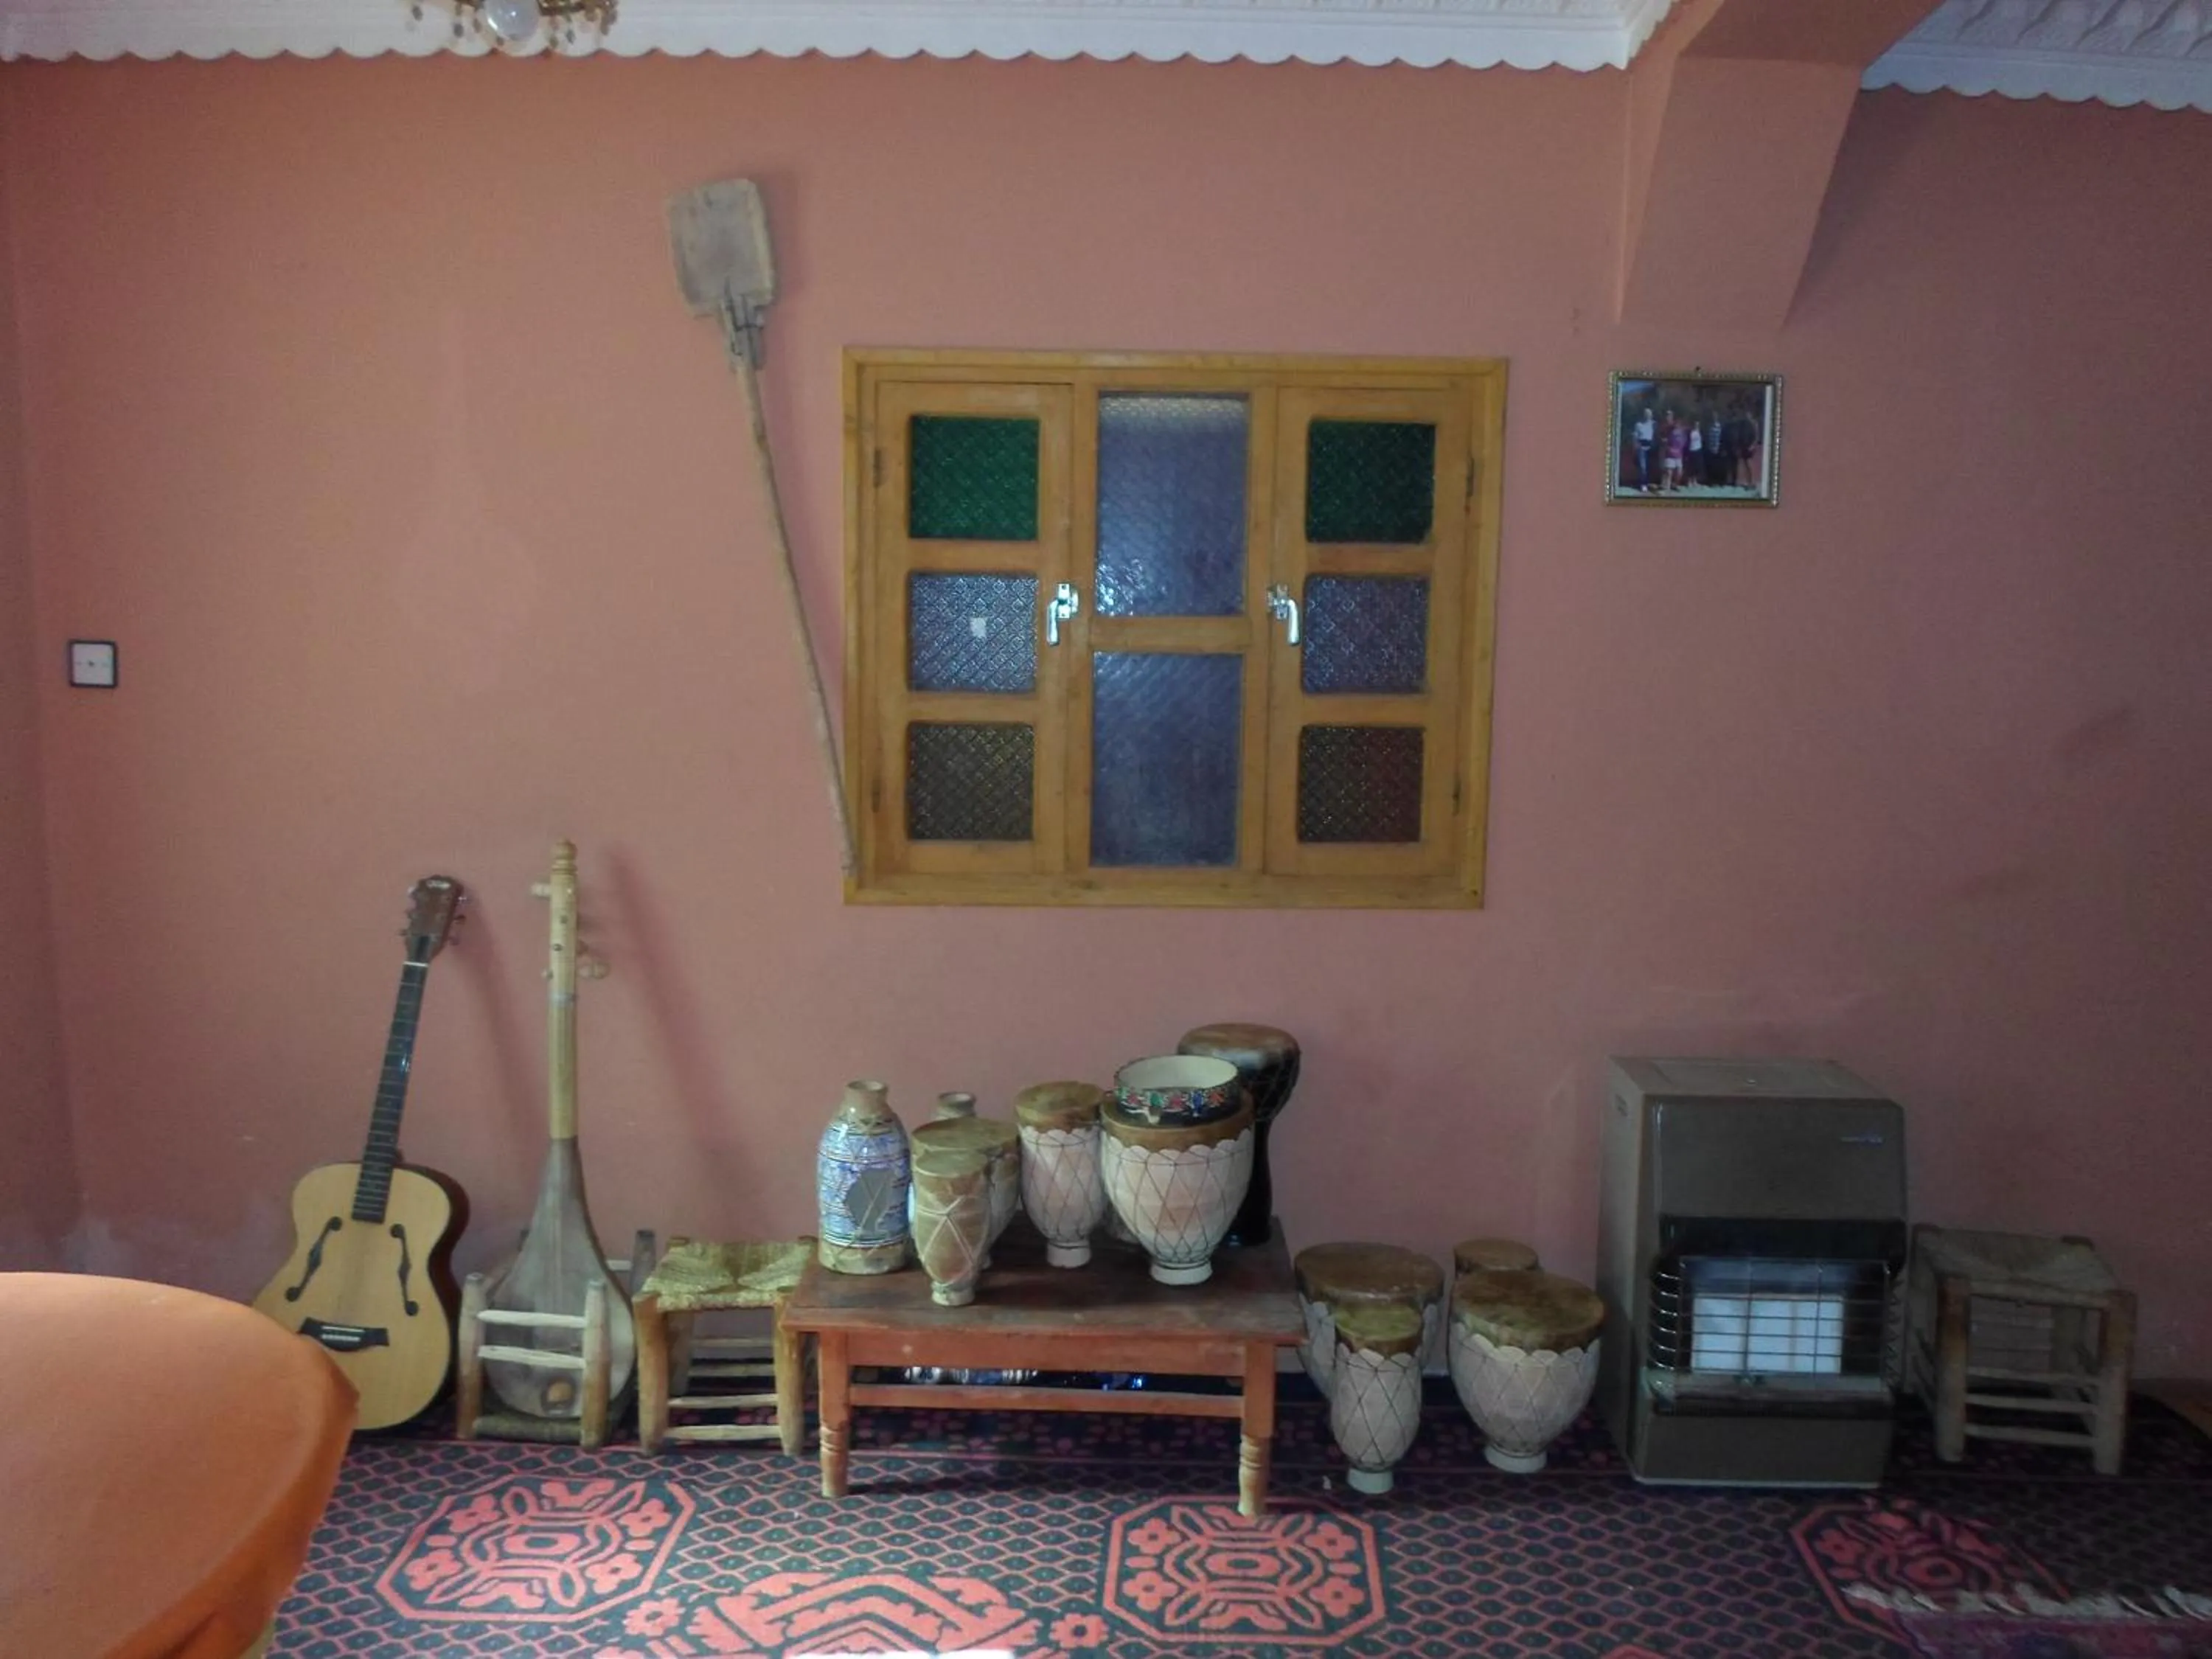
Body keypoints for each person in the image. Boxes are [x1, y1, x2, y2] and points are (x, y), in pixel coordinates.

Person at [1632, 404, 1656, 492]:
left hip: (1651, 447)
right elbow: (1635, 436)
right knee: (1643, 467)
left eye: (1649, 414)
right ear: (1644, 414)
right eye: (1646, 414)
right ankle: (1643, 484)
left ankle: (1649, 483)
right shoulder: (1639, 424)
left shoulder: (1654, 424)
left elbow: (1658, 434)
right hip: (1641, 447)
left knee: (1650, 467)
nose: (1648, 415)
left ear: (1651, 415)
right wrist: (1636, 446)